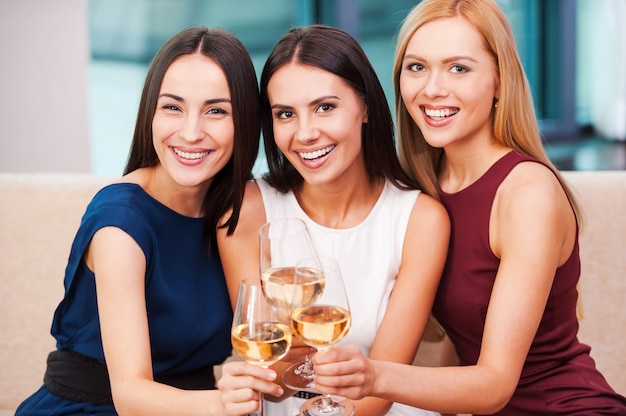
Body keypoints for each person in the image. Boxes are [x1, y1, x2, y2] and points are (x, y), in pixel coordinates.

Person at [307, 1, 626, 415]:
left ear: (499, 81)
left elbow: (494, 382)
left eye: (458, 68)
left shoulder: (527, 194)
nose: (432, 88)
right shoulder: (423, 186)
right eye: (416, 67)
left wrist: (374, 376)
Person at [15, 26, 260, 415]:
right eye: (172, 107)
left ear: (244, 120)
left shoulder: (239, 205)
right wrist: (228, 403)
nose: (192, 132)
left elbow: (261, 332)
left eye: (216, 110)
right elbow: (130, 396)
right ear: (150, 111)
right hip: (97, 408)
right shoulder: (121, 224)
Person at [216, 24, 449, 416]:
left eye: (325, 107)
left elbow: (381, 389)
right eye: (285, 114)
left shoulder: (419, 221)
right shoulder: (247, 212)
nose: (305, 133)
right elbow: (267, 372)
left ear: (365, 107)